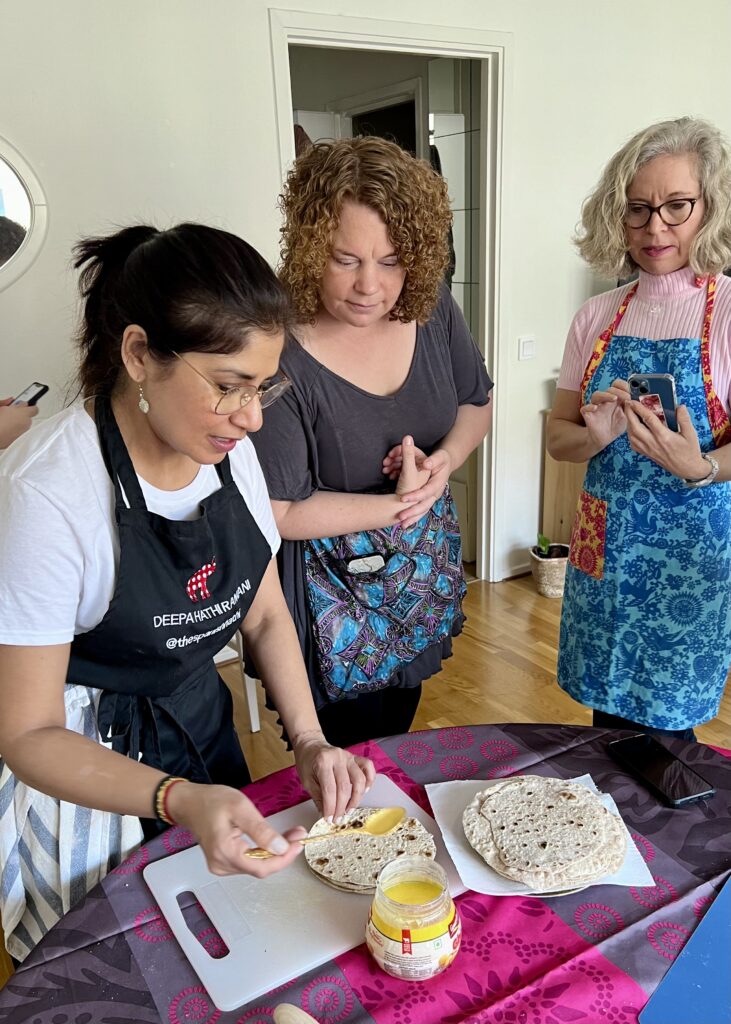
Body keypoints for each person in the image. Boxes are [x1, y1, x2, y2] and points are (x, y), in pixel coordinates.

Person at [0, 223, 375, 961]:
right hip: (79, 765)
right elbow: (27, 733)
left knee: (222, 938)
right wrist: (176, 798)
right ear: (140, 354)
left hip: (196, 722)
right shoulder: (47, 494)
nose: (252, 416)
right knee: (113, 966)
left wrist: (308, 739)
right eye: (229, 386)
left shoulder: (228, 452)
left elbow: (264, 613)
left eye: (263, 386)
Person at [251, 137, 493, 748]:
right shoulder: (278, 349)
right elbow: (280, 512)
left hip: (415, 574)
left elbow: (476, 403)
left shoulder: (432, 309)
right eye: (345, 259)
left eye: (390, 261)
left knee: (396, 732)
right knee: (343, 754)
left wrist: (445, 460)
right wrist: (400, 505)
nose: (369, 286)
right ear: (310, 247)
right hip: (328, 595)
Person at [548, 117, 731, 740]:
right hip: (605, 551)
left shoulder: (727, 312)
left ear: (709, 207)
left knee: (668, 736)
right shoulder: (594, 317)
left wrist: (701, 466)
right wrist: (596, 436)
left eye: (677, 206)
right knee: (604, 728)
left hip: (690, 562)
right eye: (637, 209)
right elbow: (558, 438)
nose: (655, 228)